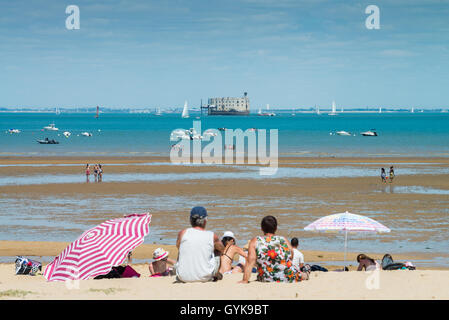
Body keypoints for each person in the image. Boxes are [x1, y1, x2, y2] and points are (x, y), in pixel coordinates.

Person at [240, 216, 309, 283]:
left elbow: (250, 261)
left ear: (262, 228)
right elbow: (291, 256)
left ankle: (306, 272)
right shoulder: (283, 240)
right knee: (302, 274)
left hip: (265, 278)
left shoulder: (255, 241)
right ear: (276, 228)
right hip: (288, 276)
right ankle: (306, 272)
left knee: (301, 273)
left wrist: (245, 280)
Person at [175, 206, 225, 282]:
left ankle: (186, 271)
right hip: (205, 277)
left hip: (182, 277)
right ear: (205, 221)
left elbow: (178, 247)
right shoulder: (212, 236)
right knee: (217, 251)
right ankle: (215, 273)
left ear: (191, 220)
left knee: (182, 249)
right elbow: (222, 249)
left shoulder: (182, 233)